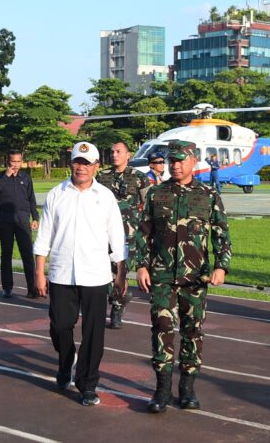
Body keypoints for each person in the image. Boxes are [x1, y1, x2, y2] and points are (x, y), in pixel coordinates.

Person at [132, 140, 231, 413]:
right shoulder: (155, 194)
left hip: (195, 278)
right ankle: (161, 390)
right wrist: (141, 266)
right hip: (162, 276)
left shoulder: (208, 194)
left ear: (192, 162)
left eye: (180, 160)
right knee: (162, 330)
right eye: (171, 161)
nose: (175, 165)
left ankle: (187, 389)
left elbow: (222, 233)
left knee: (193, 331)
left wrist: (221, 266)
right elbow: (142, 233)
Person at [33, 141, 127, 407]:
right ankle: (66, 363)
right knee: (60, 326)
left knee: (94, 333)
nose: (81, 168)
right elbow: (44, 236)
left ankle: (87, 384)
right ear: (71, 163)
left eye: (87, 163)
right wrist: (39, 272)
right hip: (62, 274)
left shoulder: (105, 196)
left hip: (96, 275)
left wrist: (120, 272)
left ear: (96, 166)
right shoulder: (56, 194)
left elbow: (117, 237)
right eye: (77, 162)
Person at [96, 141, 151, 329]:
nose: (114, 155)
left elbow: (148, 204)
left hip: (128, 236)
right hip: (103, 234)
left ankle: (117, 310)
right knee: (104, 273)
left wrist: (144, 231)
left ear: (128, 155)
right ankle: (117, 297)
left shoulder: (139, 177)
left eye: (118, 152)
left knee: (121, 272)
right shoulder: (102, 176)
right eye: (112, 152)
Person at [0, 149, 40, 298]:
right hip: (5, 222)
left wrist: (35, 217)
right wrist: (6, 176)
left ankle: (32, 289)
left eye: (18, 161)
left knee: (27, 255)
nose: (16, 165)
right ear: (8, 162)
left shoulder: (26, 177)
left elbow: (31, 199)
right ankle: (7, 288)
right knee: (6, 255)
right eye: (13, 162)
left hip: (23, 221)